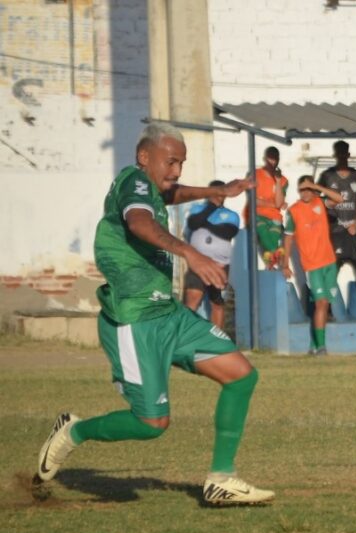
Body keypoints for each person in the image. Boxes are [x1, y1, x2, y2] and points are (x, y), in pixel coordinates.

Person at [34, 123, 273, 505]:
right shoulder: (133, 182)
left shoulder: (150, 187)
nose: (176, 170)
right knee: (151, 425)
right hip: (135, 320)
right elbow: (139, 222)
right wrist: (191, 253)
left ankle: (221, 479)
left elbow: (170, 194)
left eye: (181, 162)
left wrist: (217, 191)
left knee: (242, 376)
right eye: (171, 161)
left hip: (168, 314)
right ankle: (73, 432)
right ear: (145, 157)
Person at [282, 176, 344, 356]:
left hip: (329, 262)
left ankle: (314, 344)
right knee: (321, 302)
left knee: (324, 306)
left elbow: (340, 199)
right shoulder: (294, 211)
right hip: (312, 265)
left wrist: (317, 186)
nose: (306, 193)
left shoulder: (321, 203)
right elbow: (288, 238)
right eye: (302, 189)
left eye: (308, 189)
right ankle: (322, 347)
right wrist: (285, 263)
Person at [318, 140, 356, 320]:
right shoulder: (327, 176)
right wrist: (326, 206)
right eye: (339, 153)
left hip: (354, 230)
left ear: (348, 155)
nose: (342, 156)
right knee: (331, 270)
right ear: (335, 155)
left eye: (345, 153)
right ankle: (327, 310)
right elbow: (320, 200)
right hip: (335, 230)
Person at [183, 180, 241, 329]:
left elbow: (228, 231)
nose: (217, 195)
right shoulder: (197, 209)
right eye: (214, 191)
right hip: (198, 262)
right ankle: (184, 337)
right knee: (192, 296)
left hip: (219, 265)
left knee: (216, 302)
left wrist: (206, 224)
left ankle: (218, 341)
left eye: (220, 192)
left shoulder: (231, 215)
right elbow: (193, 223)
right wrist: (211, 207)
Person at [251, 146, 288, 269]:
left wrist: (277, 181)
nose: (272, 162)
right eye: (270, 159)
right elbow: (254, 201)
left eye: (275, 159)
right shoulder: (256, 174)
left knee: (272, 237)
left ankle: (270, 263)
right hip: (258, 215)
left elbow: (279, 203)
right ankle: (276, 256)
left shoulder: (283, 180)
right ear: (265, 159)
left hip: (275, 217)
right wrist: (274, 204)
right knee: (262, 232)